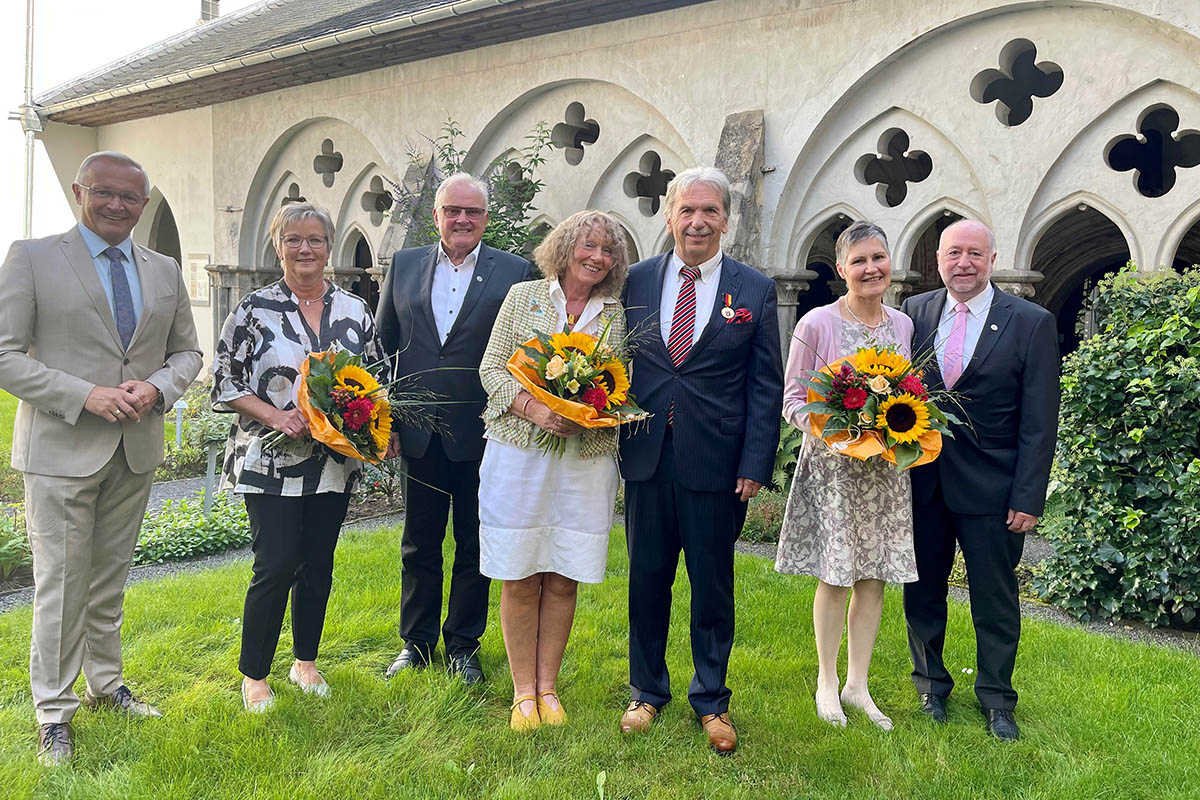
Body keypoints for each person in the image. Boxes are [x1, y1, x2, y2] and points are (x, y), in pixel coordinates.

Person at [0, 151, 202, 765]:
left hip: (134, 448)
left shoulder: (164, 268)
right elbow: (6, 355)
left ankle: (106, 686)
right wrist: (83, 394)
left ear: (144, 204)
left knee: (108, 580)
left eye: (130, 197)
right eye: (103, 193)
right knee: (60, 585)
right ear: (78, 191)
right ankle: (53, 714)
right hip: (61, 449)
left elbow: (187, 354)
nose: (116, 205)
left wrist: (158, 388)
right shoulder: (31, 258)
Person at [618, 167, 783, 754]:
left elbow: (766, 384)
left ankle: (711, 699)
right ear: (669, 217)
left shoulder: (755, 289)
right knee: (646, 580)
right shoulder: (634, 281)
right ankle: (646, 691)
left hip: (717, 462)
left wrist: (756, 461)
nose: (698, 222)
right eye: (687, 210)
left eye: (710, 211)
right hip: (647, 455)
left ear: (726, 220)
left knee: (712, 587)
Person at [212, 202, 387, 712]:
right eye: (294, 240)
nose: (305, 249)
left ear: (329, 247)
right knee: (276, 563)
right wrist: (273, 415)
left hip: (333, 463)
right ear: (278, 245)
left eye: (314, 240)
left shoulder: (355, 309)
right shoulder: (253, 309)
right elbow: (225, 381)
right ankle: (256, 675)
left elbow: (374, 378)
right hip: (271, 459)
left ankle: (305, 662)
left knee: (318, 564)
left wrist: (369, 427)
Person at [901, 219, 1059, 741]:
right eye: (953, 253)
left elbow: (1040, 419)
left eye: (974, 253)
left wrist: (1028, 495)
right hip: (923, 484)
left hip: (994, 491)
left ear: (992, 260)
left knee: (994, 599)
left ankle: (996, 699)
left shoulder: (1030, 322)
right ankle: (930, 687)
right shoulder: (915, 313)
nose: (962, 262)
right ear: (938, 260)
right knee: (922, 593)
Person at [376, 173, 533, 684]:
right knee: (418, 542)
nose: (462, 219)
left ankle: (464, 645)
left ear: (485, 218)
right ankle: (416, 644)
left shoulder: (514, 271)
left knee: (473, 542)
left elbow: (523, 355)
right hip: (417, 432)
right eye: (453, 210)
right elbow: (384, 348)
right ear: (437, 214)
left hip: (483, 431)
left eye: (473, 212)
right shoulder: (403, 265)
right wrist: (386, 420)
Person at [476, 210, 630, 731]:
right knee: (521, 574)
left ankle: (549, 686)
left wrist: (592, 412)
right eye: (588, 245)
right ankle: (523, 694)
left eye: (607, 251)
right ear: (564, 248)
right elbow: (491, 367)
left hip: (585, 463)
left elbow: (617, 383)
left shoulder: (614, 312)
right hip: (521, 455)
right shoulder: (524, 298)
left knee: (564, 575)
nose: (597, 257)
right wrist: (535, 409)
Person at [775, 221, 917, 731]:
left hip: (884, 474)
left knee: (874, 574)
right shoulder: (816, 323)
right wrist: (836, 433)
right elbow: (792, 400)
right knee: (836, 575)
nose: (871, 268)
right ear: (841, 269)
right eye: (859, 261)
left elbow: (908, 397)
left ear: (890, 263)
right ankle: (827, 683)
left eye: (878, 257)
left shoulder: (902, 326)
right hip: (835, 468)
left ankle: (859, 684)